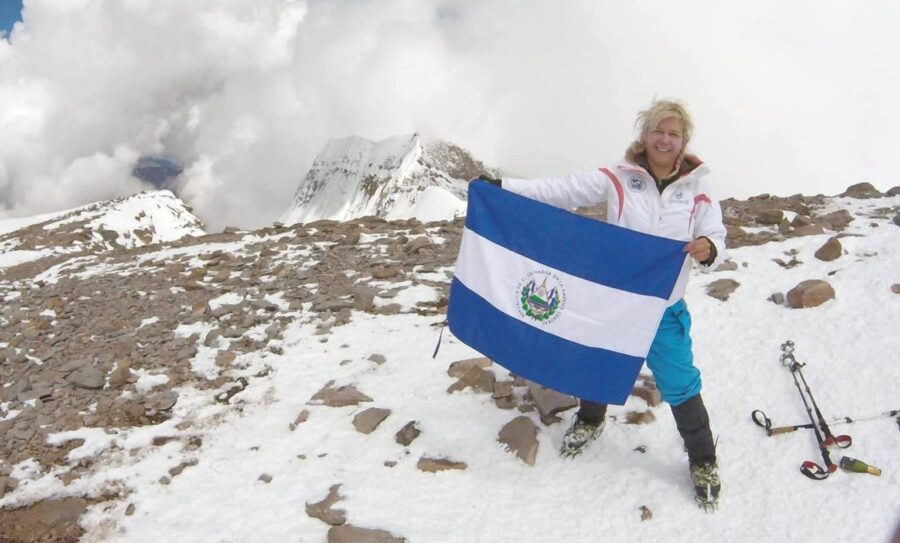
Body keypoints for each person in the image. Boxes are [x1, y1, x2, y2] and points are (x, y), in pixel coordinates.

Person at [476, 99, 726, 511]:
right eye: (658, 131)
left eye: (673, 134)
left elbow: (715, 231)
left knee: (679, 381)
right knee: (597, 362)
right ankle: (591, 420)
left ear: (684, 141)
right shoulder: (620, 177)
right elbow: (563, 190)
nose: (664, 140)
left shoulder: (697, 185)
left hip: (664, 308)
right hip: (616, 300)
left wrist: (709, 247)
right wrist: (504, 189)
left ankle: (703, 461)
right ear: (644, 134)